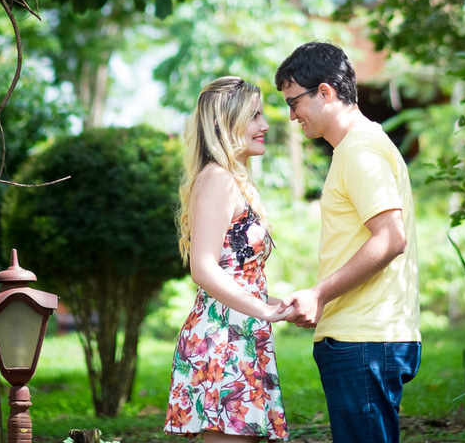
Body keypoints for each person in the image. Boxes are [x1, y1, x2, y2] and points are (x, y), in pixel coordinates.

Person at [275, 42, 421, 443]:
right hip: (363, 338)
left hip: (365, 341)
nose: (292, 116)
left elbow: (391, 238)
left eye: (294, 102)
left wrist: (319, 293)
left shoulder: (359, 150)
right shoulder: (356, 148)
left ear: (325, 92)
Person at [165, 76, 290, 442]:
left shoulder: (234, 181)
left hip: (241, 334)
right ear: (223, 122)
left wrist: (281, 306)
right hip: (222, 341)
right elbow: (203, 269)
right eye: (254, 116)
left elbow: (235, 276)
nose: (264, 125)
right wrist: (265, 311)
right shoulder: (217, 179)